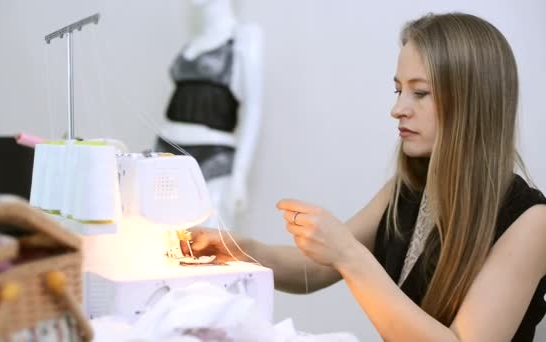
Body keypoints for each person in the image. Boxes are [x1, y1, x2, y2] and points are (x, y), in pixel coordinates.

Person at [182, 12, 546, 341]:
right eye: (398, 89)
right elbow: (314, 269)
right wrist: (234, 248)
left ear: (472, 103)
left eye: (419, 93)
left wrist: (348, 254)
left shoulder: (531, 222)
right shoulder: (407, 191)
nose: (397, 109)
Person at [155, 0, 263, 229]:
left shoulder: (244, 35)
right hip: (166, 151)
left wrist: (240, 174)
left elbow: (254, 108)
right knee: (161, 240)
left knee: (212, 247)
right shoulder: (193, 42)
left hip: (213, 156)